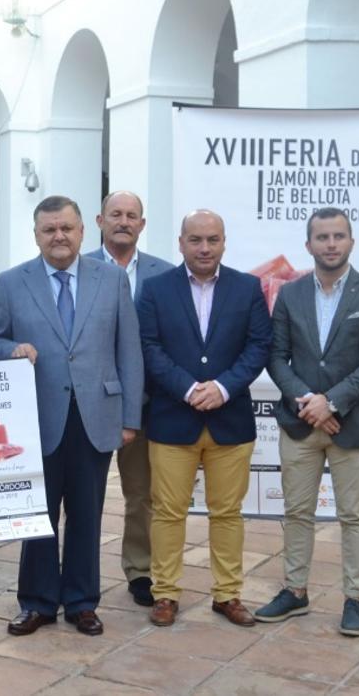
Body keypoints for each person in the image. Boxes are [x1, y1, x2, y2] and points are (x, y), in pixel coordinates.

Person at [0, 195, 142, 638]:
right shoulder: (12, 282)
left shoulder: (110, 279)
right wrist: (10, 350)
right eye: (49, 229)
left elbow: (128, 350)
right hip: (35, 415)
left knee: (87, 513)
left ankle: (81, 601)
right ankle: (36, 603)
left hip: (96, 413)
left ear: (81, 231)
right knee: (37, 514)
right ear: (36, 235)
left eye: (66, 228)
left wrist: (130, 416)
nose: (59, 236)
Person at [255, 207, 359, 637]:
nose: (330, 244)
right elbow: (277, 357)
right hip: (301, 425)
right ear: (309, 245)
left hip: (353, 424)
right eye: (322, 237)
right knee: (297, 513)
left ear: (351, 242)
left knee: (354, 516)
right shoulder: (290, 295)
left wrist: (331, 403)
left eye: (338, 236)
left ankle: (355, 598)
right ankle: (295, 592)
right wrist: (308, 404)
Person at [138, 209, 271, 628]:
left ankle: (228, 594)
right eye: (195, 240)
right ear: (180, 243)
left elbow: (259, 346)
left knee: (227, 513)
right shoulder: (156, 289)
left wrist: (223, 387)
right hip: (173, 418)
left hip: (229, 420)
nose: (204, 248)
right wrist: (189, 388)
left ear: (224, 242)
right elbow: (149, 346)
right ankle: (165, 594)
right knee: (167, 512)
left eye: (212, 240)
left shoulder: (248, 287)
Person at [84, 191, 174, 607]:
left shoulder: (165, 274)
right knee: (86, 494)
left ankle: (140, 570)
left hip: (150, 404)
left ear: (142, 224)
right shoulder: (77, 268)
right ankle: (81, 574)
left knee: (143, 493)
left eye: (131, 216)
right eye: (115, 214)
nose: (123, 221)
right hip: (90, 403)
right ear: (100, 220)